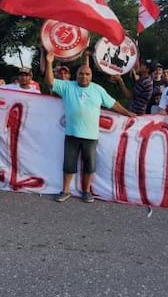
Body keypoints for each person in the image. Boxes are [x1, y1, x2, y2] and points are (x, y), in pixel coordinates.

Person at [45, 51, 135, 203]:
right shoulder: (67, 86)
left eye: (87, 74)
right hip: (72, 134)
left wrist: (127, 113)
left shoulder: (98, 89)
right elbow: (50, 82)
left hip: (91, 136)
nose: (84, 76)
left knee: (89, 166)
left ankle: (86, 192)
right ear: (77, 75)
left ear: (91, 76)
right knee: (69, 165)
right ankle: (65, 191)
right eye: (81, 74)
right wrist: (49, 62)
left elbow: (113, 104)